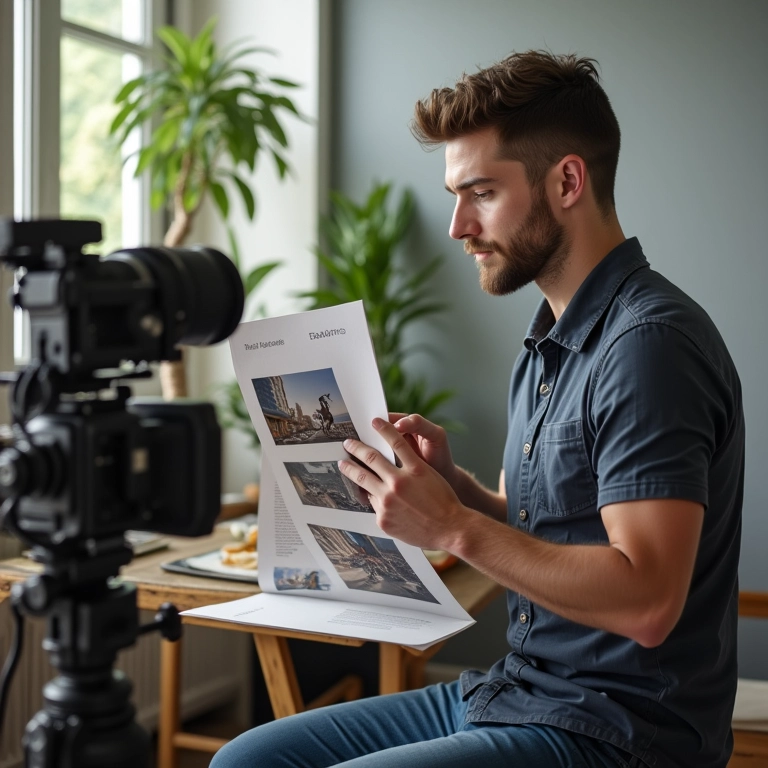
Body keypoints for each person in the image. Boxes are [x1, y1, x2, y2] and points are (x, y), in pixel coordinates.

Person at [211, 51, 744, 768]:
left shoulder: (648, 347)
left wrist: (453, 526)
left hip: (618, 730)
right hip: (521, 689)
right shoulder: (551, 341)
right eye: (455, 194)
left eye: (482, 192)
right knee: (246, 761)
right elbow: (555, 533)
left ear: (566, 181)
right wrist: (461, 492)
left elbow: (648, 603)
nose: (459, 224)